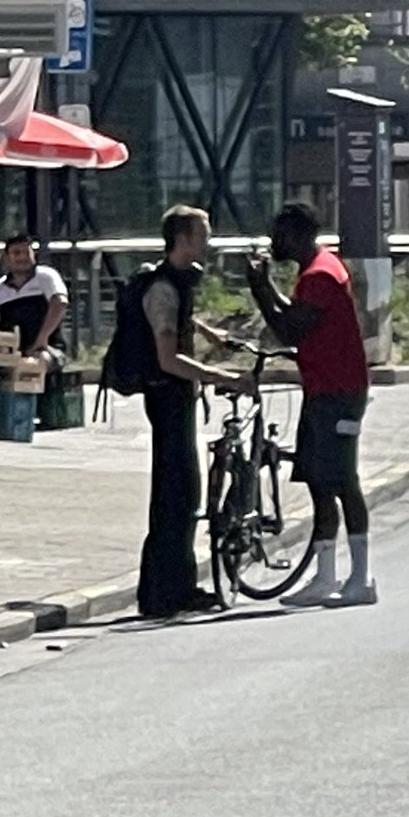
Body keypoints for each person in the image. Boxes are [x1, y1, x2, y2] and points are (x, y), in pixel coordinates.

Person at [246, 202, 376, 609]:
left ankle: (360, 577)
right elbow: (297, 316)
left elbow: (289, 328)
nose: (273, 242)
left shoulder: (320, 274)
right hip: (323, 389)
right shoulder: (318, 270)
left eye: (279, 234)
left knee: (342, 480)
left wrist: (260, 287)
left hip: (339, 391)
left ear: (300, 235)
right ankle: (325, 576)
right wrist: (269, 290)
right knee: (320, 480)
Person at [137, 205, 254, 618]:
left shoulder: (177, 284)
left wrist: (209, 333)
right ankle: (162, 594)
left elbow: (182, 321)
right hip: (167, 397)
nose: (208, 241)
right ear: (184, 239)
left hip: (179, 397)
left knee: (184, 493)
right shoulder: (164, 288)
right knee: (176, 494)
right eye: (203, 234)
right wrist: (225, 378)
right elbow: (168, 357)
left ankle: (177, 587)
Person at [0, 234, 69, 363]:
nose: (22, 257)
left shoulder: (46, 276)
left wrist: (41, 340)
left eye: (26, 252)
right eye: (17, 253)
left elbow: (60, 303)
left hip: (47, 347)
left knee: (40, 362)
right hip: (11, 352)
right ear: (6, 258)